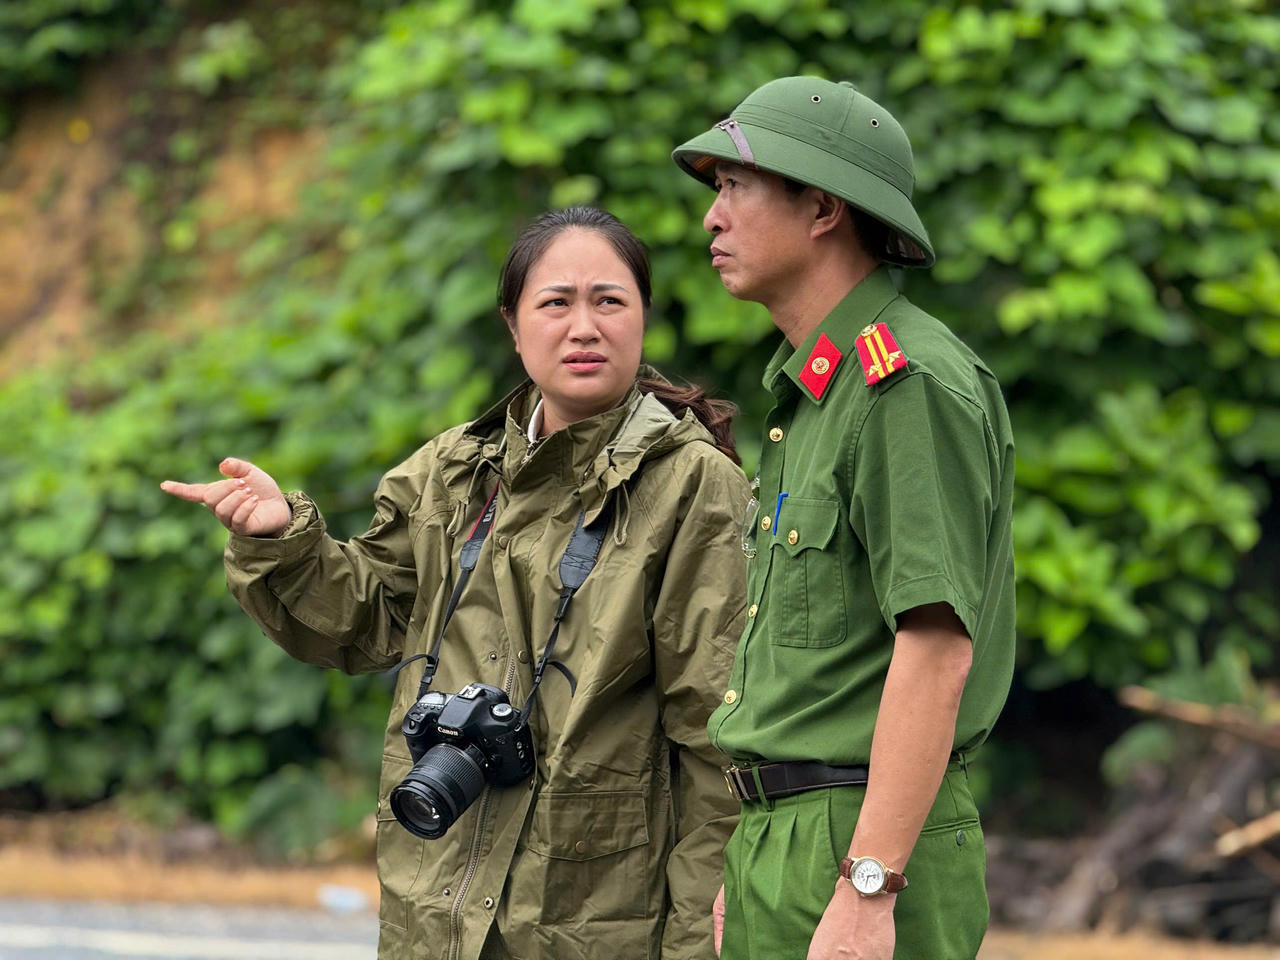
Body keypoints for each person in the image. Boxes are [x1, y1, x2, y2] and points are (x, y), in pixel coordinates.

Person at [161, 206, 749, 960]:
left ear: (643, 317)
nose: (584, 326)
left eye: (609, 300)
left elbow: (715, 739)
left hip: (598, 922)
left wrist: (701, 937)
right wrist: (280, 539)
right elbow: (368, 618)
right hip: (437, 901)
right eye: (555, 302)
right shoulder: (456, 472)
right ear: (512, 323)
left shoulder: (691, 485)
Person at [671, 78, 1016, 960]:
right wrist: (752, 860)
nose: (712, 219)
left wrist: (870, 883)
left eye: (734, 187)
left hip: (857, 843)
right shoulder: (814, 393)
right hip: (782, 842)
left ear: (822, 208)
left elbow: (936, 649)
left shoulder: (905, 386)